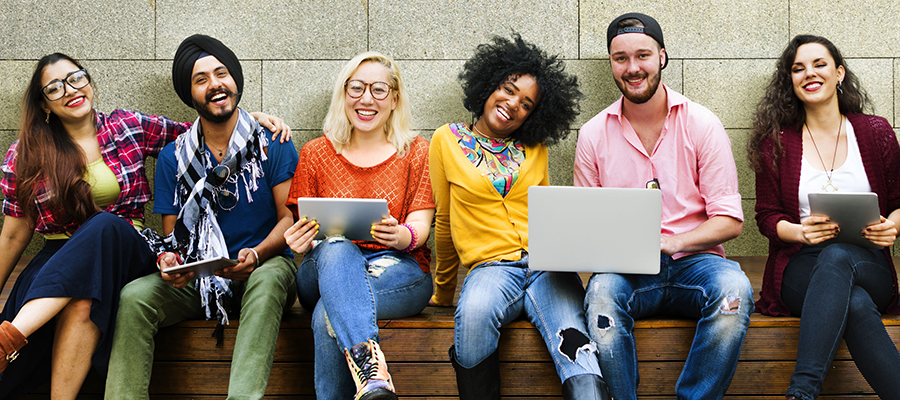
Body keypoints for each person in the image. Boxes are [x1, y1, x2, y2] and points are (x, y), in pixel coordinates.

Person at [0, 52, 287, 399]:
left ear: (89, 82)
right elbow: (14, 234)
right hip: (58, 261)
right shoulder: (25, 154)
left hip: (126, 247)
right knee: (82, 301)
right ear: (43, 103)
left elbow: (200, 131)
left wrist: (247, 120)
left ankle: (8, 338)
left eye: (76, 78)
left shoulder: (127, 128)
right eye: (54, 88)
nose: (69, 90)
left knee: (105, 225)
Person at [103, 34, 299, 400]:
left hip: (265, 266)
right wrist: (170, 261)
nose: (215, 85)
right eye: (201, 79)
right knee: (134, 296)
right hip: (202, 278)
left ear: (235, 79)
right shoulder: (173, 158)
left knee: (269, 280)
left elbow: (289, 218)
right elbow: (174, 237)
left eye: (221, 73)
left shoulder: (273, 141)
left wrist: (256, 254)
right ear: (190, 94)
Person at [574, 13, 753, 399]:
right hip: (627, 271)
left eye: (643, 55)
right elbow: (585, 225)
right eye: (620, 58)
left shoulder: (703, 124)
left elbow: (730, 220)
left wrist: (673, 242)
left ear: (663, 57)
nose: (633, 68)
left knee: (734, 289)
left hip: (696, 263)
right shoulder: (592, 135)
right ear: (611, 63)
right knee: (601, 296)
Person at [429, 33, 611, 399]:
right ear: (489, 85)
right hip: (490, 270)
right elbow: (445, 220)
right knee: (475, 314)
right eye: (508, 89)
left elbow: (547, 214)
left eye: (526, 103)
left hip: (547, 268)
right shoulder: (445, 140)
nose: (513, 104)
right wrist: (443, 290)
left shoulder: (535, 148)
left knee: (576, 346)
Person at [749, 34, 900, 399]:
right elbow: (767, 216)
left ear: (839, 74)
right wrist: (800, 233)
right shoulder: (777, 142)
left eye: (819, 64)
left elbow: (899, 200)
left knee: (840, 256)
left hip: (869, 262)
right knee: (857, 303)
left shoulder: (874, 131)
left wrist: (892, 225)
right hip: (800, 266)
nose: (809, 74)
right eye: (798, 68)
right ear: (791, 81)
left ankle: (802, 391)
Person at [282, 51, 434, 400]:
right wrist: (298, 241)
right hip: (320, 271)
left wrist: (400, 236)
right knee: (336, 245)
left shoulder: (416, 152)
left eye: (379, 90)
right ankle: (374, 376)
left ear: (395, 98)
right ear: (343, 93)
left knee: (328, 314)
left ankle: (372, 385)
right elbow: (299, 227)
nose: (366, 99)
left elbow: (421, 226)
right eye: (357, 88)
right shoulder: (316, 153)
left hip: (399, 270)